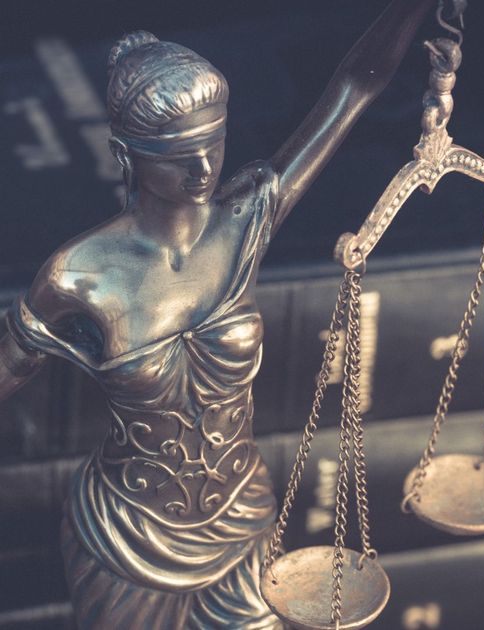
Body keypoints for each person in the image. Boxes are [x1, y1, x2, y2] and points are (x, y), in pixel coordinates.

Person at [0, 1, 435, 627]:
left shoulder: (244, 221)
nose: (204, 169)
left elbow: (353, 89)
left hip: (241, 513)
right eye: (178, 155)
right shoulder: (78, 274)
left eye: (214, 144)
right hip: (127, 534)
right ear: (127, 154)